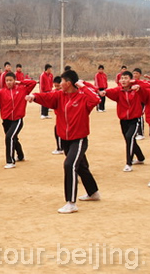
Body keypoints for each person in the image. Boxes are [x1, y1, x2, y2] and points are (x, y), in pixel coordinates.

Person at [27, 70, 101, 214]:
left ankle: (71, 203)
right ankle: (93, 193)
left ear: (68, 83)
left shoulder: (83, 97)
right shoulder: (59, 96)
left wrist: (82, 86)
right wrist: (33, 96)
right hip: (65, 139)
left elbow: (96, 99)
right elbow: (46, 97)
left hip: (79, 139)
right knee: (81, 167)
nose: (59, 84)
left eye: (61, 82)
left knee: (69, 165)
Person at [101, 70, 146, 172]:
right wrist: (105, 92)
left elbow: (147, 88)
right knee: (129, 139)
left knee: (129, 137)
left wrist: (136, 84)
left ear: (131, 80)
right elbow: (110, 91)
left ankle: (129, 163)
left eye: (126, 78)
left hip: (135, 119)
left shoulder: (137, 90)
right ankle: (140, 157)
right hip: (123, 120)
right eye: (122, 78)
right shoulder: (119, 91)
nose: (123, 80)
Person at [0, 71, 37, 168]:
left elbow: (33, 83)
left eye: (11, 80)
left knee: (9, 137)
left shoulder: (22, 89)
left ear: (15, 80)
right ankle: (20, 156)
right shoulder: (1, 92)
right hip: (6, 120)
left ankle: (10, 161)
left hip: (17, 119)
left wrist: (20, 82)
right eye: (7, 80)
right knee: (13, 138)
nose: (8, 82)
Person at [51, 76, 64, 155]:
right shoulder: (54, 92)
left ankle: (60, 148)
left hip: (62, 115)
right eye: (55, 86)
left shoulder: (62, 92)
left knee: (58, 130)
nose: (56, 87)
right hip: (59, 115)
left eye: (58, 86)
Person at [132, 68, 146, 140]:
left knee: (139, 116)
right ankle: (136, 132)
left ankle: (141, 133)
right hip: (134, 102)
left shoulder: (142, 82)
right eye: (134, 73)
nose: (135, 75)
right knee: (134, 117)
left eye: (136, 73)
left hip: (141, 102)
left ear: (140, 75)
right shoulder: (131, 83)